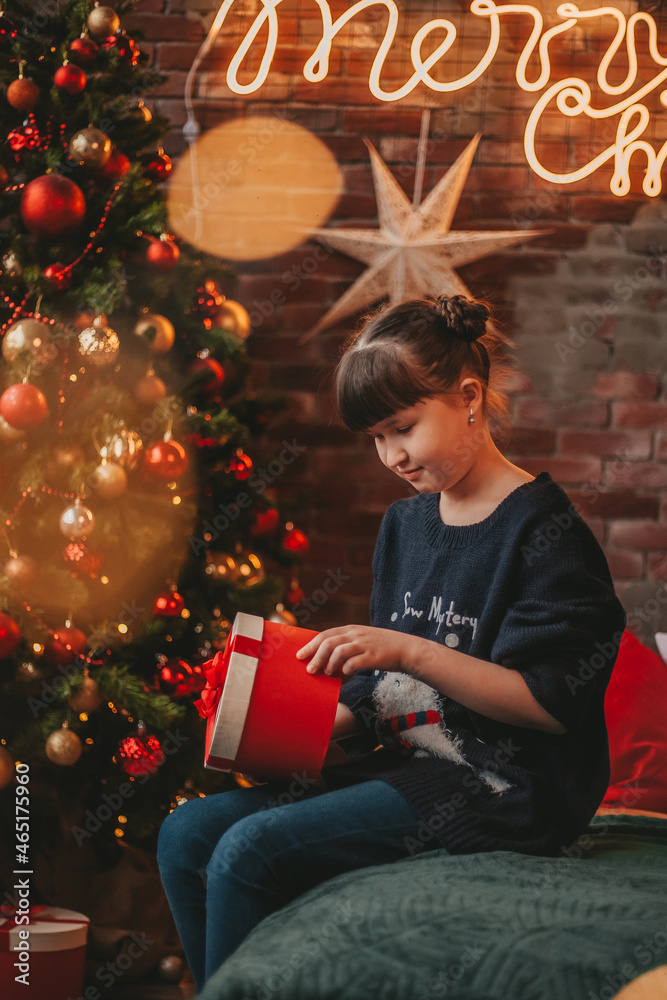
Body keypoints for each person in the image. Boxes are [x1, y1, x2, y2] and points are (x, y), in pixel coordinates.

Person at [157, 294, 626, 992]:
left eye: (402, 428)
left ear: (468, 397)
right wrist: (291, 732)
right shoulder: (404, 526)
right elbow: (382, 693)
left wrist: (406, 650)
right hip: (408, 767)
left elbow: (549, 703)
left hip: (502, 786)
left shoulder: (542, 533)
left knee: (249, 850)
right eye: (374, 438)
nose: (391, 456)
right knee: (187, 833)